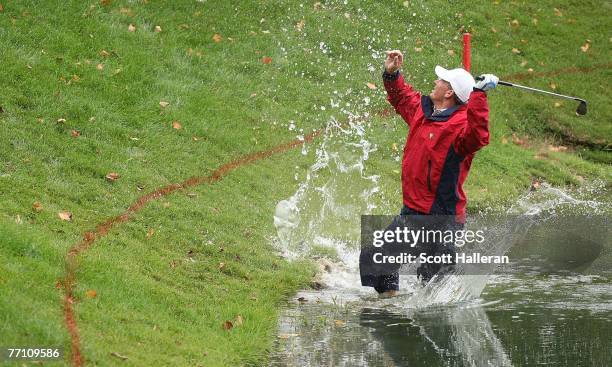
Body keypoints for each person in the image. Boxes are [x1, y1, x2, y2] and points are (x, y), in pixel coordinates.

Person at [359, 50, 498, 297]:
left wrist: (479, 95)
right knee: (376, 260)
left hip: (442, 220)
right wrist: (392, 74)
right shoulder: (423, 112)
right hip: (413, 212)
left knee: (436, 289)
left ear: (449, 92)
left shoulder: (460, 128)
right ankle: (390, 306)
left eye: (441, 80)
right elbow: (401, 97)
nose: (435, 81)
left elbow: (479, 135)